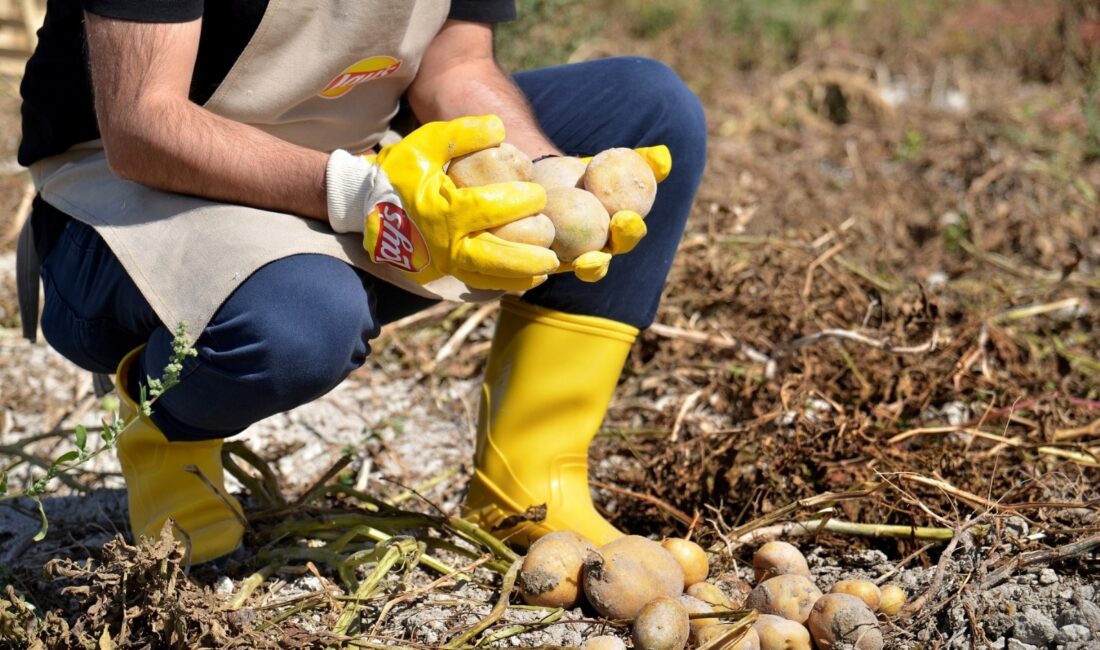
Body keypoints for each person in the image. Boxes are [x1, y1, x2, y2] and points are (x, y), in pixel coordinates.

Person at [16, 0, 707, 563]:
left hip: (346, 160)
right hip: (120, 195)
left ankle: (527, 482)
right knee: (301, 323)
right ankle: (167, 426)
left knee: (642, 108)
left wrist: (546, 179)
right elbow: (142, 125)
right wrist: (360, 197)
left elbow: (457, 62)